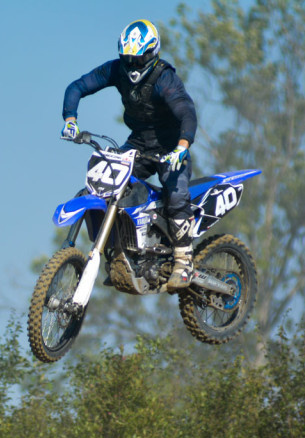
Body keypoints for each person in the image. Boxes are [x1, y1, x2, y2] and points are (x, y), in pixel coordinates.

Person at [61, 19, 199, 291]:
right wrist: (70, 119)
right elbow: (77, 87)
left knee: (176, 194)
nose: (132, 64)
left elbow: (186, 110)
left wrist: (182, 146)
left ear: (152, 53)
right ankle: (120, 254)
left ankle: (185, 260)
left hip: (171, 147)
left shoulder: (164, 77)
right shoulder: (116, 69)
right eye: (127, 58)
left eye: (138, 59)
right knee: (107, 186)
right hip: (138, 143)